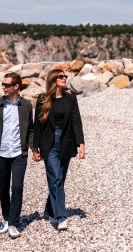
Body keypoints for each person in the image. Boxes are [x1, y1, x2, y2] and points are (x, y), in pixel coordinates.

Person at [32, 68, 85, 231]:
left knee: (59, 179)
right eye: (61, 77)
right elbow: (37, 125)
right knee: (55, 178)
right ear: (53, 80)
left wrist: (81, 144)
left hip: (66, 142)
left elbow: (76, 121)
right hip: (48, 143)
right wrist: (35, 148)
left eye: (65, 76)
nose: (65, 79)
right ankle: (61, 216)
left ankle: (49, 210)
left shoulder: (71, 99)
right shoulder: (42, 99)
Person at [0, 72, 33, 239]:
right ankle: (6, 218)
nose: (3, 87)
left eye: (7, 85)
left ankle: (13, 223)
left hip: (20, 154)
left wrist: (33, 148)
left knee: (17, 187)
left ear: (16, 87)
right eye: (3, 84)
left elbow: (31, 130)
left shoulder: (26, 105)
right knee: (3, 188)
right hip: (1, 154)